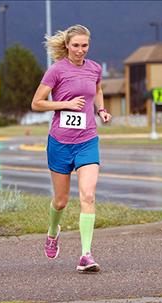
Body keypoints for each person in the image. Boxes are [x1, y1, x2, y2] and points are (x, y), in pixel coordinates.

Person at [31, 24, 112, 273]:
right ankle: (53, 231)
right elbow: (36, 103)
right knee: (61, 201)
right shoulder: (56, 70)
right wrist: (65, 104)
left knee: (88, 196)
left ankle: (85, 254)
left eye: (84, 45)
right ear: (67, 45)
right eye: (75, 45)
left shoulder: (94, 68)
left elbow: (97, 90)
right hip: (60, 142)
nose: (80, 50)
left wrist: (101, 110)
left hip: (87, 140)